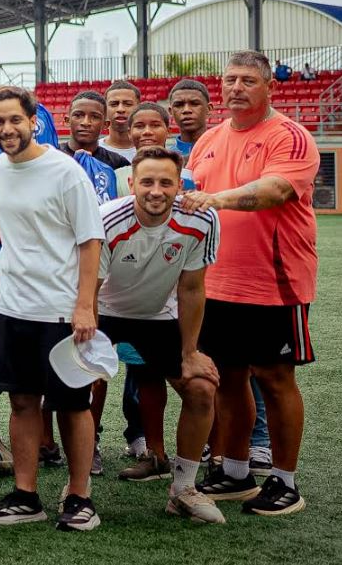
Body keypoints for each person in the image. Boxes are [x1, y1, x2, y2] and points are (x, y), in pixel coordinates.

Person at [181, 50, 319, 516]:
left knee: (275, 377)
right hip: (215, 283)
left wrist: (214, 198)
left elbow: (276, 190)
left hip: (274, 283)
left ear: (269, 87)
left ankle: (285, 481)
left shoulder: (291, 137)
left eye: (247, 80)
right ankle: (236, 471)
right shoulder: (208, 141)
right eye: (230, 79)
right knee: (229, 378)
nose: (236, 87)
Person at [0, 85, 104, 531]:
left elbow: (91, 239)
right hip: (13, 306)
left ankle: (80, 496)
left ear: (34, 121)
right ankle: (27, 495)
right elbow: (10, 217)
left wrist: (84, 306)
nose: (6, 129)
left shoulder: (65, 172)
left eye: (15, 120)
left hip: (60, 311)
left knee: (72, 405)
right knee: (24, 401)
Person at [94, 148, 223, 522]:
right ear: (131, 184)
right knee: (77, 385)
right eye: (147, 182)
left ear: (178, 186)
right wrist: (82, 336)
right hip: (104, 310)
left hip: (157, 314)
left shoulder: (201, 219)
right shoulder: (107, 219)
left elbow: (193, 289)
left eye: (166, 182)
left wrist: (190, 352)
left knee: (201, 386)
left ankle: (183, 488)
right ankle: (77, 489)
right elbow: (90, 284)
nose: (156, 190)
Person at [116, 102, 197, 196]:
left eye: (155, 125)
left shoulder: (189, 176)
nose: (147, 132)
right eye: (139, 126)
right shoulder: (116, 176)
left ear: (168, 131)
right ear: (129, 133)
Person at [66, 90, 132, 171]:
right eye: (78, 115)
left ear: (105, 124)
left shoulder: (118, 163)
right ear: (67, 121)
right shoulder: (51, 157)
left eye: (95, 117)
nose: (86, 122)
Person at [101, 81, 142, 162]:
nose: (120, 109)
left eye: (128, 104)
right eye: (114, 104)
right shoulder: (93, 152)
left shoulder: (151, 152)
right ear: (105, 109)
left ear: (138, 108)